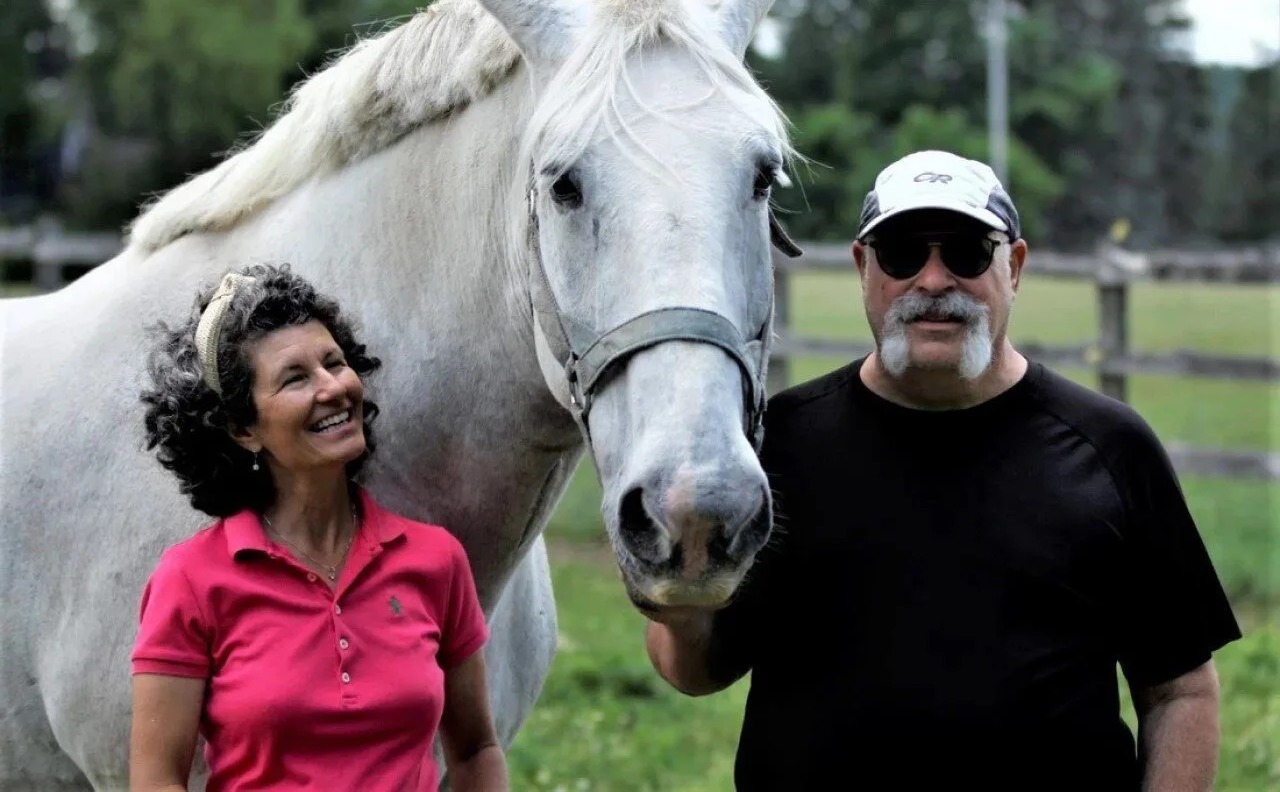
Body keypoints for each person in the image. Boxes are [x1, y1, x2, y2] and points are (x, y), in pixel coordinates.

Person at [643, 150, 1242, 791]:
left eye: (966, 252)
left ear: (1013, 266)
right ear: (862, 267)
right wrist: (677, 595)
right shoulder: (777, 445)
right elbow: (694, 671)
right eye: (901, 252)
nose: (932, 281)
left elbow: (1180, 692)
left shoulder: (1111, 448)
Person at [131, 264, 508, 792]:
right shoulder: (191, 580)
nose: (333, 388)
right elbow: (157, 781)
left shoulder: (436, 560)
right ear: (243, 430)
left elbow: (475, 751)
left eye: (335, 363)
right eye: (296, 378)